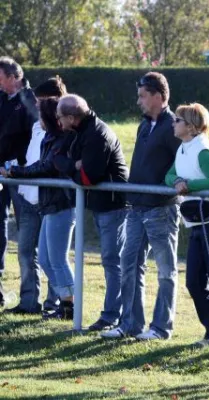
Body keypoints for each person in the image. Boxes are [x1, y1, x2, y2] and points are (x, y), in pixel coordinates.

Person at [102, 72, 181, 340]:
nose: (139, 102)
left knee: (165, 271)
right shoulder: (144, 125)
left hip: (161, 208)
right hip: (136, 208)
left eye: (143, 96)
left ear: (158, 96)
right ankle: (131, 324)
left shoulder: (173, 126)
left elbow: (179, 164)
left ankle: (161, 328)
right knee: (128, 263)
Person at [165, 103, 209, 349]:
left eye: (177, 120)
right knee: (194, 282)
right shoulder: (183, 148)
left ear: (192, 126)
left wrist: (188, 185)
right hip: (198, 223)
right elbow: (169, 176)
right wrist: (177, 181)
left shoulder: (204, 150)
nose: (173, 123)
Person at [53, 94, 129, 330]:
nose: (58, 121)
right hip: (100, 205)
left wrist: (71, 166)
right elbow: (57, 159)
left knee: (111, 261)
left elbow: (87, 177)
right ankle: (112, 315)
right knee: (110, 261)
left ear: (72, 117)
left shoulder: (96, 134)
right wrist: (71, 165)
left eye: (60, 117)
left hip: (112, 206)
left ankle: (111, 316)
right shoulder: (79, 133)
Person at [6, 98, 76, 319]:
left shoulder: (62, 140)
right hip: (49, 205)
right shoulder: (49, 137)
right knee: (46, 259)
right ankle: (65, 302)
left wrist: (14, 172)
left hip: (60, 205)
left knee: (56, 259)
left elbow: (44, 167)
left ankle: (70, 305)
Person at [0, 56, 37, 308]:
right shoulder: (2, 99)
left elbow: (36, 138)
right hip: (1, 173)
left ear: (15, 78)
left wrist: (16, 166)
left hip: (20, 175)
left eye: (1, 78)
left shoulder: (31, 101)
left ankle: (30, 298)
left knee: (26, 236)